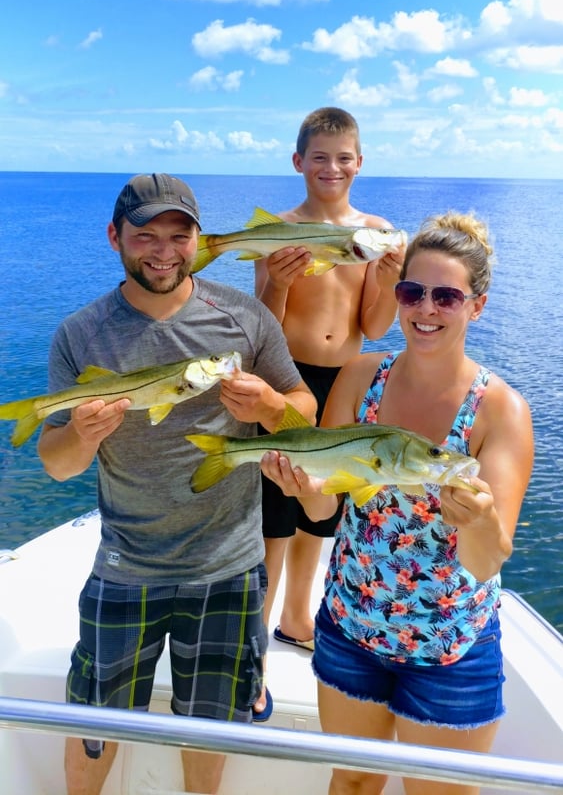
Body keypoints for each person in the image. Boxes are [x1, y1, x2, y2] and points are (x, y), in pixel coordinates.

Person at [37, 173, 316, 795]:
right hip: (125, 565)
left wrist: (271, 404)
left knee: (212, 729)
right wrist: (82, 435)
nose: (163, 250)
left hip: (229, 568)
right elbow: (57, 464)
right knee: (93, 726)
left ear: (197, 240)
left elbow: (303, 412)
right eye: (145, 236)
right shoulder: (80, 335)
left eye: (179, 234)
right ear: (115, 238)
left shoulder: (244, 318)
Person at [261, 210, 534, 795]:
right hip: (351, 628)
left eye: (446, 296)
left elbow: (488, 562)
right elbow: (324, 513)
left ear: (476, 306)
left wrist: (479, 519)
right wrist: (304, 488)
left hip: (448, 647)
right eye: (412, 291)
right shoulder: (360, 379)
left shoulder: (500, 412)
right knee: (353, 782)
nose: (425, 309)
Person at [254, 107, 405, 677]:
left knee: (322, 506)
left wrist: (389, 278)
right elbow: (265, 321)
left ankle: (296, 617)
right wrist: (281, 280)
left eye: (343, 158)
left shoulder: (375, 231)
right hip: (286, 378)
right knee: (276, 508)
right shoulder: (280, 229)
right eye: (320, 157)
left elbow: (375, 326)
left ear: (360, 163)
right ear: (299, 162)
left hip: (343, 381)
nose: (332, 167)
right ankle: (256, 643)